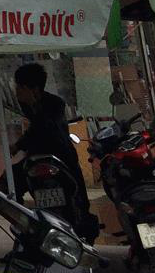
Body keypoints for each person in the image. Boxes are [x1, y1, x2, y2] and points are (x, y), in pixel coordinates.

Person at [9, 62, 96, 237]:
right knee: (8, 184)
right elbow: (34, 130)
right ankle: (23, 227)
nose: (17, 91)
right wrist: (19, 146)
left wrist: (20, 144)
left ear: (31, 88)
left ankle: (84, 228)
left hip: (61, 157)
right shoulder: (25, 104)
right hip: (35, 159)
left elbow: (44, 128)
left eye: (19, 87)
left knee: (78, 194)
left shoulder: (55, 104)